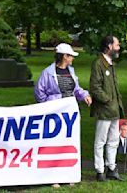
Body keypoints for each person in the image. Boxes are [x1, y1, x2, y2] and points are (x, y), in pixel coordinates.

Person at [34, 43, 92, 188]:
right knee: (54, 145)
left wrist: (84, 95)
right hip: (55, 114)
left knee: (69, 144)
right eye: (71, 56)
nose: (72, 58)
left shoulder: (71, 71)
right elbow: (39, 93)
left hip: (69, 114)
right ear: (64, 57)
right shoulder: (48, 73)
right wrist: (50, 105)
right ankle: (53, 176)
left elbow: (76, 89)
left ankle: (68, 174)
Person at [90, 35, 125, 182]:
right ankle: (99, 170)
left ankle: (111, 168)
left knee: (113, 141)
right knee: (100, 141)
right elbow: (95, 87)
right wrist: (108, 100)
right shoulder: (99, 64)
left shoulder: (110, 63)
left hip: (115, 110)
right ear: (109, 46)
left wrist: (115, 103)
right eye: (117, 45)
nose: (118, 48)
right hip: (105, 110)